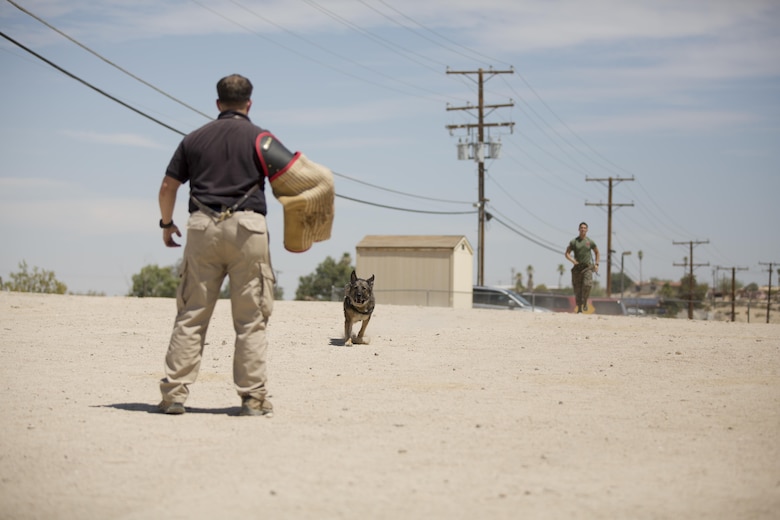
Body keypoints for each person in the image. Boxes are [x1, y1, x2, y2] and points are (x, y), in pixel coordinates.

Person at [157, 74, 334, 416]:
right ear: (249, 103)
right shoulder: (261, 139)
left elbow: (168, 187)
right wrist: (306, 226)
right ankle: (253, 398)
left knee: (191, 315)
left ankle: (173, 396)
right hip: (248, 231)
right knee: (251, 319)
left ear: (217, 103)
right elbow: (301, 179)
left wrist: (167, 225)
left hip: (201, 228)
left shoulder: (193, 139)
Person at [564, 222, 600, 313]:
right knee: (577, 289)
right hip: (577, 268)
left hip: (587, 267)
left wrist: (596, 264)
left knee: (587, 285)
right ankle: (579, 307)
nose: (583, 229)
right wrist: (573, 261)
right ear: (579, 229)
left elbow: (597, 252)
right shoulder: (574, 241)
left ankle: (585, 301)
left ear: (587, 230)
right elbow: (567, 253)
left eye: (584, 228)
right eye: (581, 228)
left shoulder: (589, 242)